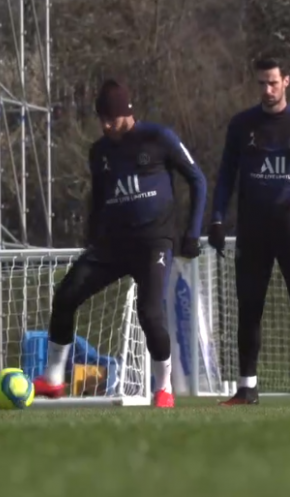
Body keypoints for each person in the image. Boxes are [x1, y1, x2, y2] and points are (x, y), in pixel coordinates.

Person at [32, 80, 207, 408]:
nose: (105, 125)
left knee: (150, 313)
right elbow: (98, 198)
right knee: (66, 294)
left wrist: (192, 233)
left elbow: (197, 179)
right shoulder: (99, 152)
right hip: (112, 246)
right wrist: (92, 235)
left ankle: (164, 389)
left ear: (127, 113)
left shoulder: (158, 138)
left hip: (154, 243)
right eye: (101, 119)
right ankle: (53, 379)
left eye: (110, 119)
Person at [208, 57, 290, 406]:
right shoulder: (241, 125)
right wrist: (216, 217)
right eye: (261, 83)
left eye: (273, 82)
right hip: (252, 230)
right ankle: (247, 388)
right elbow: (227, 174)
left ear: (286, 81)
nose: (267, 89)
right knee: (249, 307)